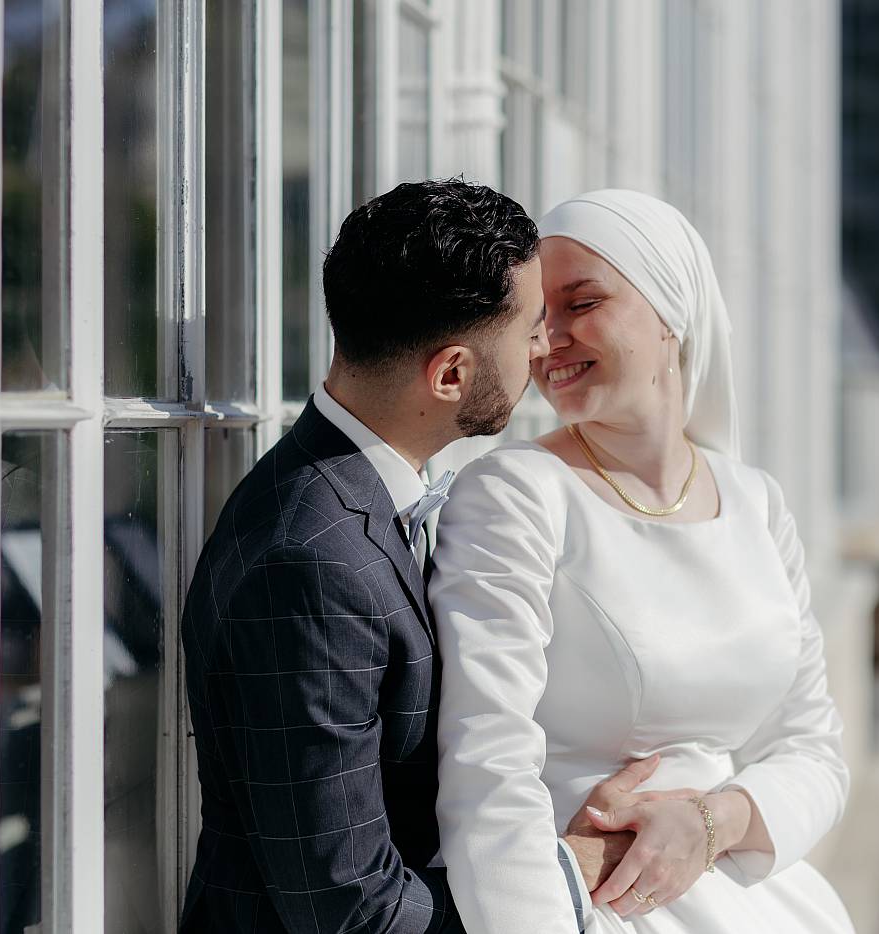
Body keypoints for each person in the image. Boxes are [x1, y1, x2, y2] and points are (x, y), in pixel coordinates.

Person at [178, 179, 641, 934]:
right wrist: (557, 880)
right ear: (451, 374)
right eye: (529, 329)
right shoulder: (311, 563)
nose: (544, 346)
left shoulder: (351, 495)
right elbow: (351, 911)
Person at [430, 189, 858, 933]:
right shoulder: (516, 494)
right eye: (536, 318)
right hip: (592, 910)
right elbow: (484, 764)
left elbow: (814, 750)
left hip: (765, 904)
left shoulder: (757, 503)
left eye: (582, 302)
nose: (547, 340)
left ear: (671, 312)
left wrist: (711, 821)